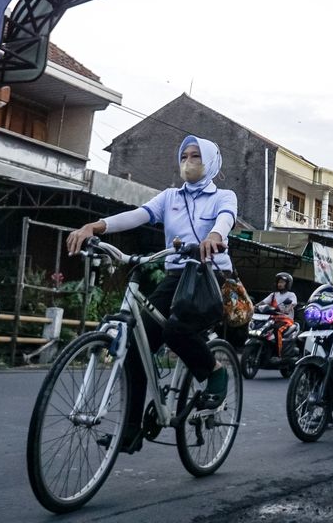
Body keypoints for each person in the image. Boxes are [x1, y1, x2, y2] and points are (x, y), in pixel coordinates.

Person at [65, 135, 235, 454]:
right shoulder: (169, 196)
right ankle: (129, 433)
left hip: (210, 275)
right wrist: (94, 227)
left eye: (196, 155)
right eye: (184, 155)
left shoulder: (223, 196)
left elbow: (225, 219)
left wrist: (214, 235)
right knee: (134, 347)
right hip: (175, 275)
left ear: (210, 161)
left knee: (175, 329)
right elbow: (137, 215)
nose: (188, 160)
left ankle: (215, 372)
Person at [258, 272, 298, 356]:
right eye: (279, 282)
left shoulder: (291, 295)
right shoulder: (273, 295)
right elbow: (263, 302)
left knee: (278, 330)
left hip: (286, 320)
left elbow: (293, 304)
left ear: (287, 284)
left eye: (282, 282)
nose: (280, 284)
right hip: (272, 319)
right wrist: (254, 306)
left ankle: (278, 354)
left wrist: (287, 309)